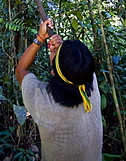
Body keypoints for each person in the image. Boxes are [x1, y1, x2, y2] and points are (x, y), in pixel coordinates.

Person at [15, 18, 103, 161]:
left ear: (53, 72)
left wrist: (40, 38)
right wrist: (62, 54)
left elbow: (21, 70)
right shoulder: (90, 82)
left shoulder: (43, 102)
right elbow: (73, 69)